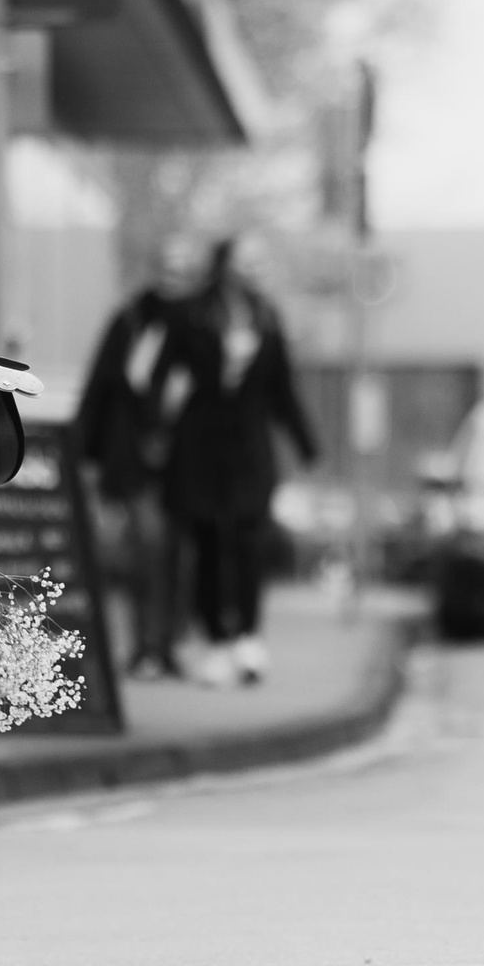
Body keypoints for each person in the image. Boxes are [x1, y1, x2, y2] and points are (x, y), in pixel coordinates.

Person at [163, 236, 318, 687]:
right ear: (226, 264)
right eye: (248, 259)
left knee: (250, 539)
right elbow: (159, 376)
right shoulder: (190, 313)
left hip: (250, 448)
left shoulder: (268, 315)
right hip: (201, 444)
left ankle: (249, 636)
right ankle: (215, 639)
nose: (256, 267)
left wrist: (307, 447)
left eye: (261, 259)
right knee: (209, 542)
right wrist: (154, 431)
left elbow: (282, 389)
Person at [73, 232, 208, 678]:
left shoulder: (201, 325)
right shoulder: (132, 320)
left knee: (178, 555)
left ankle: (167, 645)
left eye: (183, 270)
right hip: (133, 458)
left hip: (185, 461)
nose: (175, 278)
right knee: (148, 545)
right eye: (168, 267)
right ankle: (148, 647)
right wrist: (85, 453)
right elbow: (101, 387)